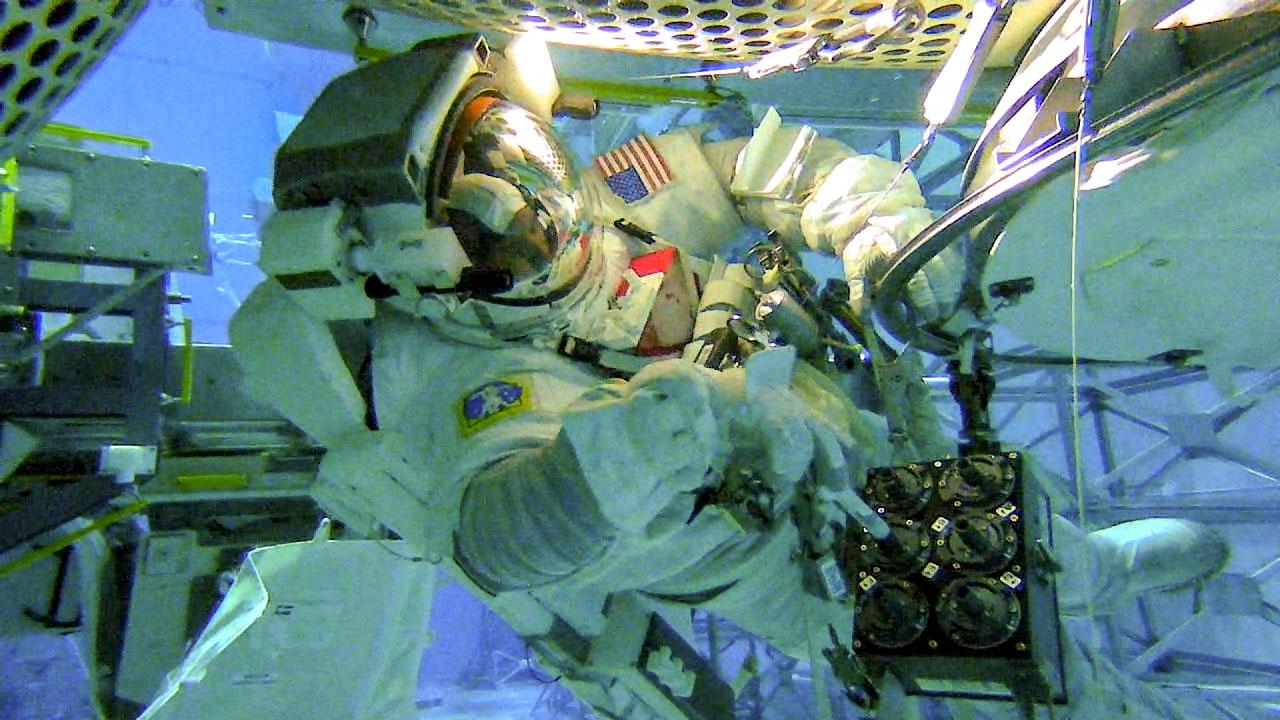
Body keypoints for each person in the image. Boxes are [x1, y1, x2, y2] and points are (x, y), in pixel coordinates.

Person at [154, 35, 1227, 720]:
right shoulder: (457, 380)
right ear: (434, 274)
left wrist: (870, 226)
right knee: (971, 663)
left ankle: (1083, 563)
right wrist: (602, 473)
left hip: (835, 410)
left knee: (1000, 528)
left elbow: (769, 172)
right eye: (501, 215)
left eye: (520, 156)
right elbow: (498, 531)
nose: (545, 208)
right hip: (769, 554)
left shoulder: (618, 198)